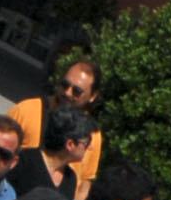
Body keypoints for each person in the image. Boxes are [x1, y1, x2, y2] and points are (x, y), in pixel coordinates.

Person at [7, 57, 104, 191]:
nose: (67, 92)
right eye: (64, 85)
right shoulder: (26, 110)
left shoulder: (93, 134)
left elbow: (86, 181)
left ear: (93, 96)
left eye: (77, 91)